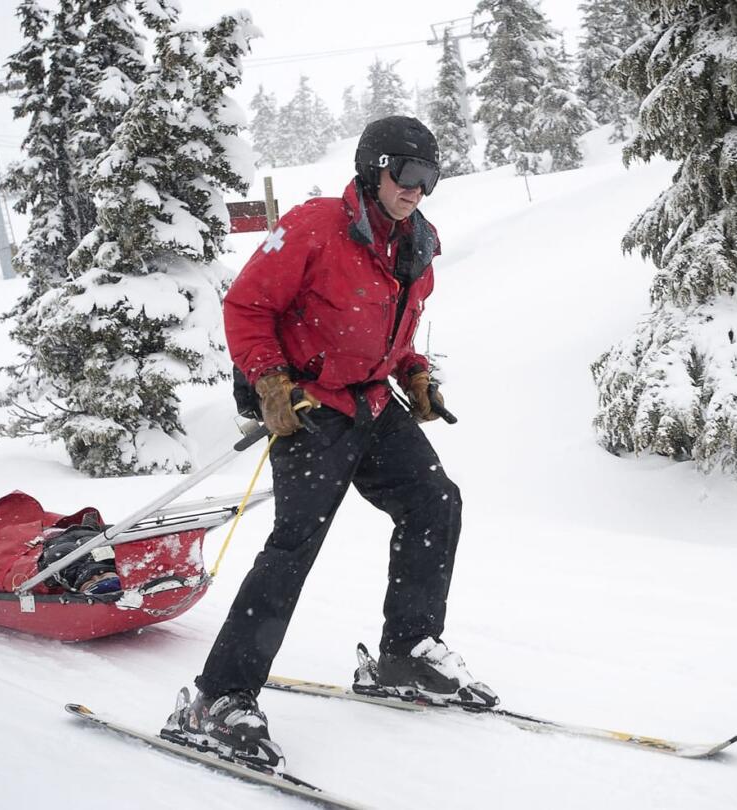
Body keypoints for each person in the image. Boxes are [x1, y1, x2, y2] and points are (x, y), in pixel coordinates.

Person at [166, 116, 496, 771]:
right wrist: (269, 382)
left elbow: (393, 331)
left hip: (372, 400)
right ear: (374, 168)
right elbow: (246, 307)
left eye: (429, 177)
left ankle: (405, 652)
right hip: (311, 406)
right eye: (407, 174)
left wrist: (414, 374)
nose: (418, 189)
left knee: (435, 502)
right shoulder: (316, 226)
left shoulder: (418, 246)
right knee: (295, 544)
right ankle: (217, 698)